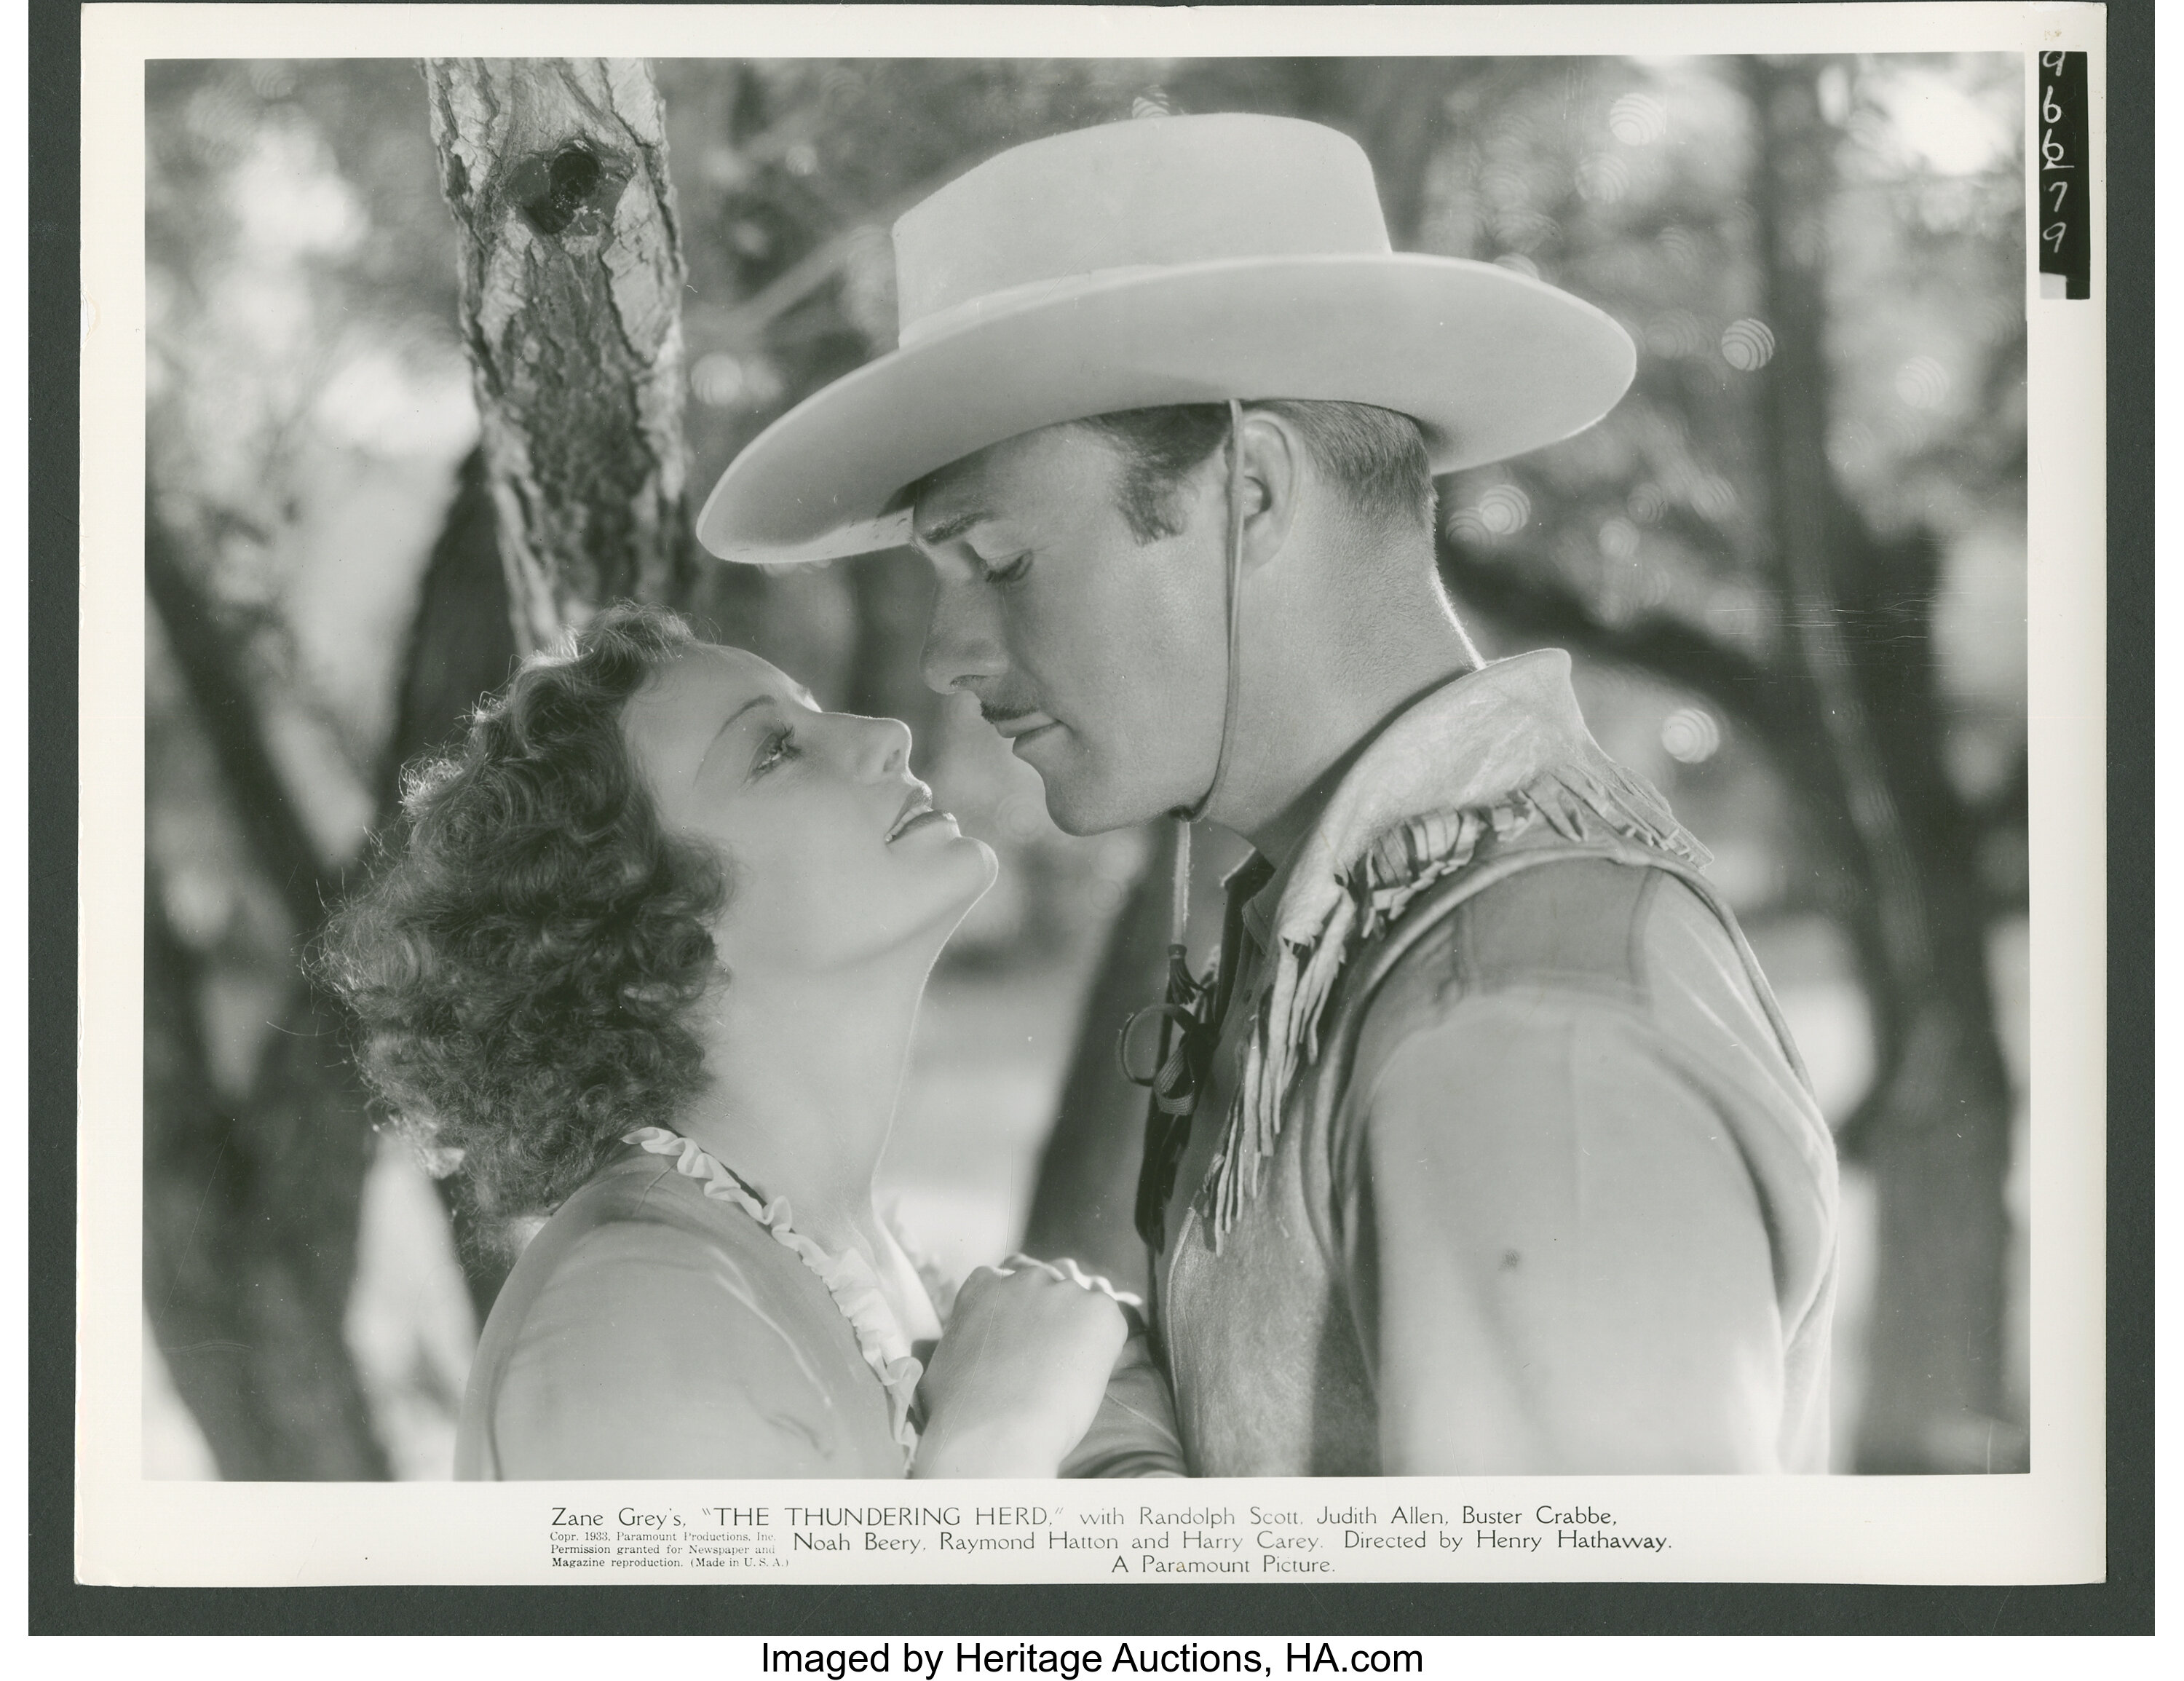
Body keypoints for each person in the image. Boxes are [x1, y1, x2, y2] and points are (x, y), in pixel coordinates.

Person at [696, 111, 1840, 1474]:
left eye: (999, 561)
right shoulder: (1353, 923)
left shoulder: (1519, 1037)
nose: (947, 657)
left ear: (1248, 487)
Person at [317, 603, 1179, 1479]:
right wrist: (1000, 1436)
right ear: (649, 948)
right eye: (774, 750)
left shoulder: (857, 1267)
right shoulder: (630, 1314)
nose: (885, 733)